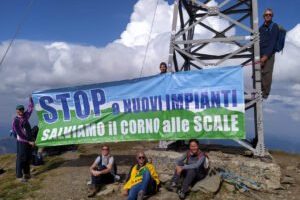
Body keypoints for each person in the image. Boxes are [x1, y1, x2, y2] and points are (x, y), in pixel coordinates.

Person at [12, 96, 35, 182]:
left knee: (27, 157)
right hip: (22, 141)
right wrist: (29, 141)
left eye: (22, 109)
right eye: (19, 110)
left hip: (28, 141)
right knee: (21, 158)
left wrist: (31, 100)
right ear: (16, 111)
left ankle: (27, 173)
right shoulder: (16, 121)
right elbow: (20, 134)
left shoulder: (25, 116)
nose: (21, 111)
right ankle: (19, 176)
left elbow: (30, 109)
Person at [259, 8, 279, 99]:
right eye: (266, 14)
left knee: (267, 73)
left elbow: (272, 42)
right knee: (257, 73)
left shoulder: (274, 26)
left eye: (270, 15)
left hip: (269, 55)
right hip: (259, 54)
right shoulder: (261, 28)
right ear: (263, 16)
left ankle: (265, 93)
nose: (268, 16)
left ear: (272, 16)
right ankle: (258, 90)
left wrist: (265, 56)